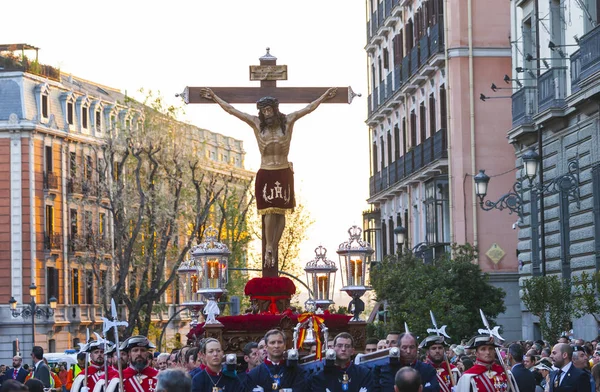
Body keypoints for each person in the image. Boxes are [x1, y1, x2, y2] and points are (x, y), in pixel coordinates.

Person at [199, 87, 338, 267]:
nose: (267, 113)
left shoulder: (287, 122)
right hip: (266, 169)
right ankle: (269, 248)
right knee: (269, 210)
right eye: (264, 111)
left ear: (275, 109)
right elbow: (232, 110)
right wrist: (215, 97)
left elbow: (309, 108)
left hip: (283, 169)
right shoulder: (257, 124)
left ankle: (273, 246)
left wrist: (325, 96)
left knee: (281, 211)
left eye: (269, 110)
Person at [373, 333, 439, 392]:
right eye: (404, 347)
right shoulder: (385, 369)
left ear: (417, 348)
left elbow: (434, 389)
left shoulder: (428, 370)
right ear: (398, 348)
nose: (408, 351)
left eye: (412, 347)